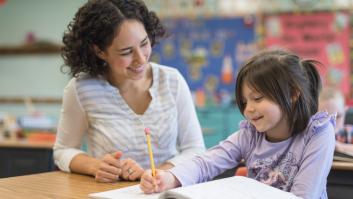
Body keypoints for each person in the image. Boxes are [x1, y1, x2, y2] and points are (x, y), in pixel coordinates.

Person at [140, 50, 336, 199]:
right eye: (244, 102)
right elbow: (206, 163)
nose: (248, 109)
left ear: (293, 94)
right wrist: (169, 178)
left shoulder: (317, 133)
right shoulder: (250, 134)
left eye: (257, 98)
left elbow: (303, 195)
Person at [53, 0, 205, 183]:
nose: (141, 59)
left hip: (166, 190)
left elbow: (195, 150)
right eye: (126, 52)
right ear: (100, 51)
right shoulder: (81, 89)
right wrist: (95, 166)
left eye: (144, 43)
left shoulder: (172, 81)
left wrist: (156, 173)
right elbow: (63, 151)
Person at [319, 87, 353, 155]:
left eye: (338, 117)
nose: (332, 123)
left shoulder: (349, 132)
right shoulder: (313, 134)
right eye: (325, 117)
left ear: (345, 110)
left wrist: (340, 147)